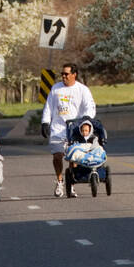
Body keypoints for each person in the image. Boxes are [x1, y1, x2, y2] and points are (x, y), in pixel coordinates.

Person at [40, 63, 96, 198]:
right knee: (57, 156)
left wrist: (87, 118)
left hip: (75, 129)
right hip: (58, 128)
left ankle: (71, 185)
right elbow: (48, 107)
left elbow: (90, 106)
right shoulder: (56, 89)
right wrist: (45, 122)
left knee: (73, 157)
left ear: (74, 74)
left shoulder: (82, 90)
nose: (63, 76)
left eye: (66, 74)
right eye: (62, 74)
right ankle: (60, 181)